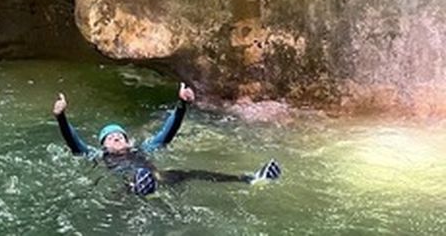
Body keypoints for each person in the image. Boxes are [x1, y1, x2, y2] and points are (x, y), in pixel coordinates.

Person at [52, 83, 281, 195]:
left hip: (155, 178)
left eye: (119, 136)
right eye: (110, 138)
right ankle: (141, 190)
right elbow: (75, 144)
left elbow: (167, 133)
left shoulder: (142, 149)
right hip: (128, 186)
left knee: (191, 172)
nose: (115, 138)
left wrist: (182, 105)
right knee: (126, 187)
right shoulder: (98, 155)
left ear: (128, 140)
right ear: (103, 145)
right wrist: (61, 117)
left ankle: (250, 179)